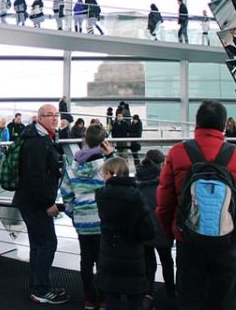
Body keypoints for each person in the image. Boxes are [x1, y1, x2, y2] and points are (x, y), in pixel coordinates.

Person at [156, 101, 236, 310]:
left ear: (197, 123)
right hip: (227, 243)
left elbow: (164, 203)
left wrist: (173, 232)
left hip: (189, 241)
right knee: (224, 301)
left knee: (189, 300)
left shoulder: (178, 152)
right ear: (223, 126)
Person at [14, 104, 68, 304]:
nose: (54, 118)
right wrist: (47, 203)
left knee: (38, 245)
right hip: (36, 203)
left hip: (29, 200)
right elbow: (35, 176)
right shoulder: (38, 142)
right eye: (49, 115)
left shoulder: (38, 137)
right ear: (40, 118)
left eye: (56, 115)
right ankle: (40, 289)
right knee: (47, 244)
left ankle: (38, 286)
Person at [61, 124, 114, 307]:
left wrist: (74, 214)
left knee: (86, 260)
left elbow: (66, 194)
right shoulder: (105, 166)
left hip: (82, 220)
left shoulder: (72, 166)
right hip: (102, 221)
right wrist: (111, 155)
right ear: (104, 142)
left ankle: (89, 299)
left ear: (85, 140)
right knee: (103, 261)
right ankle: (103, 299)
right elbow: (117, 184)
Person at [96, 156, 154, 310]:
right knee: (136, 301)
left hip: (109, 257)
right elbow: (149, 231)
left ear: (109, 173)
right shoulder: (136, 196)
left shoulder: (101, 195)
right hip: (132, 257)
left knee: (112, 301)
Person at [136, 150, 174, 304]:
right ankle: (171, 292)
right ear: (162, 163)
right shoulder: (164, 180)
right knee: (166, 261)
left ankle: (148, 294)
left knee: (148, 263)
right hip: (162, 227)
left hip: (144, 228)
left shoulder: (137, 178)